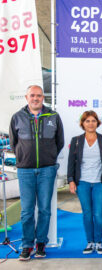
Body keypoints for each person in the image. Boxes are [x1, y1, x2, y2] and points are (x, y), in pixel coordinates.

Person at [9, 85, 64, 261]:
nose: (36, 98)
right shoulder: (17, 117)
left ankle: (41, 243)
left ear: (43, 98)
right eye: (32, 95)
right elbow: (13, 142)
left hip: (47, 169)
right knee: (26, 211)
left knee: (45, 209)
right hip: (25, 170)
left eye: (39, 95)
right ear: (26, 97)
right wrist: (24, 158)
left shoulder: (53, 117)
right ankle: (27, 245)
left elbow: (59, 141)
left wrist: (49, 157)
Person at [67, 110, 102, 254]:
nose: (90, 123)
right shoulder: (76, 140)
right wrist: (71, 181)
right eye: (87, 121)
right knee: (87, 213)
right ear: (82, 123)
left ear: (97, 123)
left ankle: (99, 242)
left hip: (101, 182)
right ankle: (90, 242)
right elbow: (71, 163)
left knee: (98, 213)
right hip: (82, 182)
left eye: (93, 120)